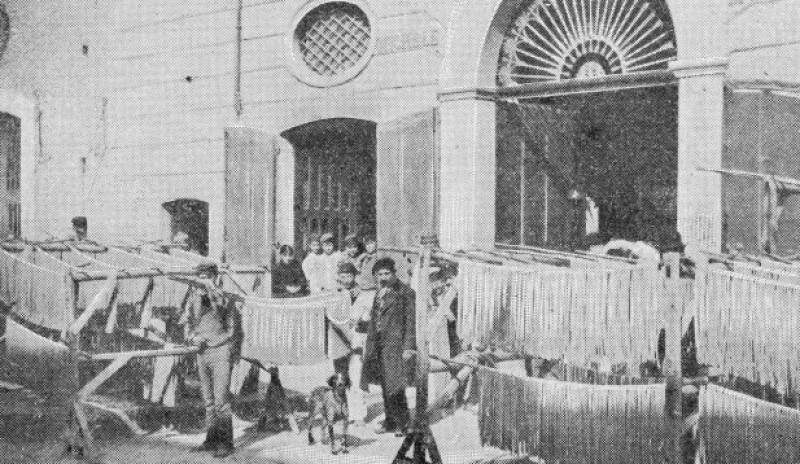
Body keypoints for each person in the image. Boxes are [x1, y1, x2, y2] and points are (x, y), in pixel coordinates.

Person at [186, 261, 237, 458]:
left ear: (215, 278)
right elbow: (188, 324)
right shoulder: (193, 300)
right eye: (200, 278)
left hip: (220, 351)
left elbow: (232, 328)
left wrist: (212, 292)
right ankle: (211, 440)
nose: (202, 282)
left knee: (221, 400)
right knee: (208, 401)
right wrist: (192, 337)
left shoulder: (224, 298)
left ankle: (226, 443)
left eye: (207, 277)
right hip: (202, 352)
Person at [362, 257, 416, 435]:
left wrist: (408, 347)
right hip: (379, 345)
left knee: (396, 385)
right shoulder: (379, 292)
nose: (383, 277)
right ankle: (390, 420)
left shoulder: (405, 292)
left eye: (387, 273)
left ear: (394, 273)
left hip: (396, 346)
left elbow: (410, 322)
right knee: (385, 384)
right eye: (380, 274)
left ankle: (403, 423)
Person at [332, 261, 374, 425]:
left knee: (356, 377)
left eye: (349, 276)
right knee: (340, 377)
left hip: (356, 339)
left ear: (354, 276)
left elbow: (367, 317)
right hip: (338, 340)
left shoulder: (361, 294)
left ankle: (358, 414)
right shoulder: (334, 293)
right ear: (338, 277)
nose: (346, 280)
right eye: (343, 276)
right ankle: (341, 412)